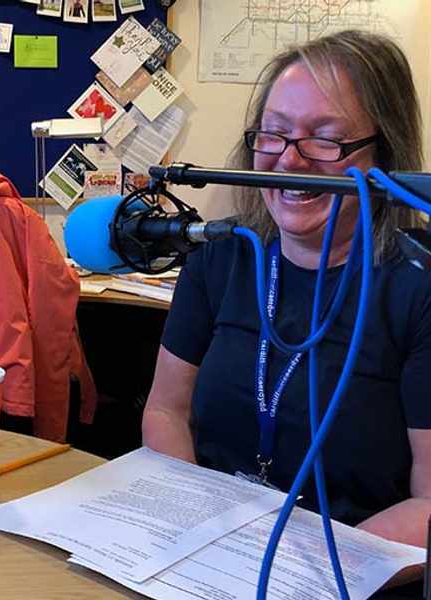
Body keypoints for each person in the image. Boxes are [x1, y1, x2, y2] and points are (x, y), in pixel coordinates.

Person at [142, 30, 431, 592]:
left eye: (326, 140)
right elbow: (165, 412)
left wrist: (307, 574)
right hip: (208, 561)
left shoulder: (418, 290)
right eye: (273, 134)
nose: (290, 160)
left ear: (385, 155)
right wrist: (192, 527)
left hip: (348, 574)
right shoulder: (220, 259)